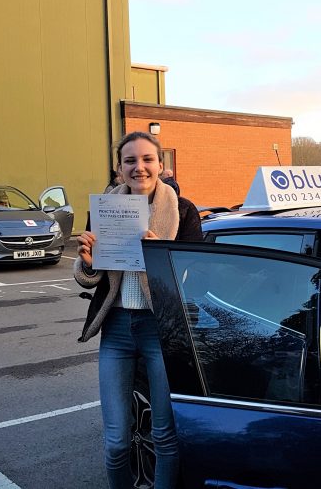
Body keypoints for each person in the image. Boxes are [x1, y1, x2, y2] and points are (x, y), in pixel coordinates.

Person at [74, 131, 202, 489]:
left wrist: (162, 254)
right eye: (130, 160)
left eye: (147, 159)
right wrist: (86, 261)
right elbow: (90, 277)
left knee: (163, 435)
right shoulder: (103, 209)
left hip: (160, 328)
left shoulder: (184, 211)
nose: (139, 167)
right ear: (119, 169)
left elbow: (197, 278)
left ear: (160, 165)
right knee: (116, 441)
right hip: (115, 328)